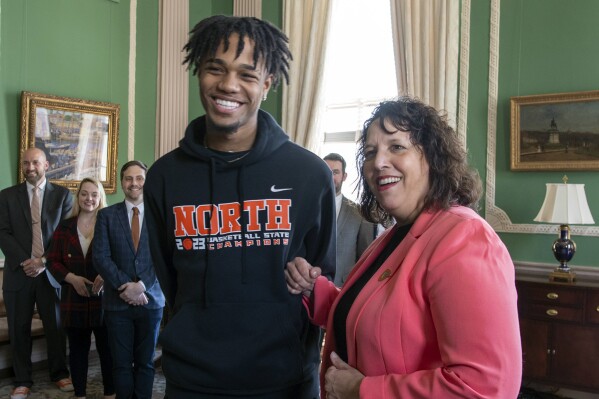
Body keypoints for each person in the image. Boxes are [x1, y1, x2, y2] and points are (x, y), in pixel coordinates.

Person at [143, 15, 336, 399]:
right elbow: (170, 278)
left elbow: (321, 277)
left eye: (247, 74)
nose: (228, 85)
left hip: (285, 382)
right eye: (216, 68)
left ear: (267, 83)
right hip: (191, 382)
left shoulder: (309, 174)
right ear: (199, 72)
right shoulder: (165, 176)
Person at [285, 97, 522, 399]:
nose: (379, 162)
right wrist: (314, 290)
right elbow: (381, 319)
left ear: (432, 157)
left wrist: (361, 390)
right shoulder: (391, 238)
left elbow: (485, 387)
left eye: (396, 147)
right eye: (370, 153)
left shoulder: (465, 239)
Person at [0, 147, 74, 399]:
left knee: (55, 326)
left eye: (35, 163)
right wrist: (25, 261)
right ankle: (22, 379)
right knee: (18, 328)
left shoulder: (63, 196)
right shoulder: (6, 196)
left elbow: (64, 235)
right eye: (25, 163)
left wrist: (42, 260)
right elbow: (2, 232)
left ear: (47, 164)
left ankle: (60, 373)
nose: (29, 167)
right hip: (18, 273)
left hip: (51, 272)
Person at [93, 161, 165, 399]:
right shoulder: (106, 216)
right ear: (122, 181)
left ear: (146, 181)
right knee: (121, 364)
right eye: (128, 178)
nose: (134, 183)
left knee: (145, 363)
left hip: (151, 301)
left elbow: (164, 256)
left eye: (139, 178)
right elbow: (100, 257)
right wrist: (127, 287)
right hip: (117, 302)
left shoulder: (160, 215)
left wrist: (142, 286)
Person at [46, 177, 115, 399]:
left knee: (107, 351)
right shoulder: (65, 225)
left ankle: (110, 393)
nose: (89, 198)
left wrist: (106, 275)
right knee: (77, 351)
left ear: (100, 197)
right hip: (73, 298)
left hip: (104, 298)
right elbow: (53, 260)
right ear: (78, 197)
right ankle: (80, 394)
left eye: (94, 194)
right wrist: (71, 278)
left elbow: (120, 258)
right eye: (84, 193)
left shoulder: (110, 222)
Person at [323, 153, 375, 287]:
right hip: (307, 288)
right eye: (326, 171)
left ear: (344, 176)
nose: (330, 177)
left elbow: (365, 256)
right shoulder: (305, 208)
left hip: (342, 287)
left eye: (335, 172)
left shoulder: (360, 213)